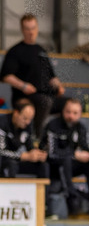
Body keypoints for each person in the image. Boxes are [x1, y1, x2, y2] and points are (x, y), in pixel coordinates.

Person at [1, 13, 68, 141]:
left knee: (68, 104)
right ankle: (38, 137)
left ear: (37, 28)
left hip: (45, 94)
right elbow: (6, 76)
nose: (31, 32)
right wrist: (23, 86)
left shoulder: (41, 51)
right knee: (44, 102)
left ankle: (63, 140)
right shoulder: (15, 51)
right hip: (24, 96)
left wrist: (59, 86)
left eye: (33, 28)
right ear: (22, 30)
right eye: (27, 28)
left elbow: (52, 76)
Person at [45, 98, 89, 214]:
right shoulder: (53, 125)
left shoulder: (80, 127)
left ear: (80, 114)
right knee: (66, 160)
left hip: (70, 163)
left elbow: (84, 145)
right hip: (53, 165)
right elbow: (52, 152)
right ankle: (72, 200)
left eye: (75, 113)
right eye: (68, 112)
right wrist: (74, 155)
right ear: (63, 111)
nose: (71, 116)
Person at [0, 99, 48, 180]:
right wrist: (22, 156)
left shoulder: (27, 125)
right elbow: (1, 152)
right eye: (25, 118)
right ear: (16, 113)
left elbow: (30, 146)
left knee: (43, 165)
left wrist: (38, 154)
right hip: (4, 161)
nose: (27, 122)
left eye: (30, 119)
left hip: (16, 160)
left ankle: (42, 188)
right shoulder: (2, 123)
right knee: (11, 165)